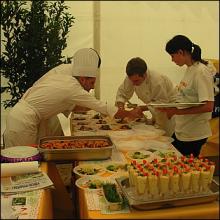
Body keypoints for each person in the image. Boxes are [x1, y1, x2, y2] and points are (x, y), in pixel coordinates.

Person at [3, 48, 143, 147]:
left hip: (41, 116)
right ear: (82, 79)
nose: (93, 87)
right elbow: (103, 108)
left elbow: (65, 101)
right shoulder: (72, 86)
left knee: (51, 150)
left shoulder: (70, 74)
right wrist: (129, 113)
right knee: (25, 163)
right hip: (24, 120)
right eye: (92, 82)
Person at [158, 35, 216, 157]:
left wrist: (175, 112)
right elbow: (187, 99)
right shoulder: (190, 69)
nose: (172, 60)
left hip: (194, 135)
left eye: (172, 56)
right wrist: (169, 107)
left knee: (184, 170)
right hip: (182, 131)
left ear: (181, 52)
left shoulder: (201, 72)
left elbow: (208, 106)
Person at [115, 57, 176, 136]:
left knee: (164, 139)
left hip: (168, 114)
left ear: (144, 75)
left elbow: (161, 104)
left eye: (136, 81)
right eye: (131, 80)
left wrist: (141, 108)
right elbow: (122, 93)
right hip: (156, 111)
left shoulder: (157, 81)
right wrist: (121, 109)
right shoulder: (132, 77)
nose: (133, 84)